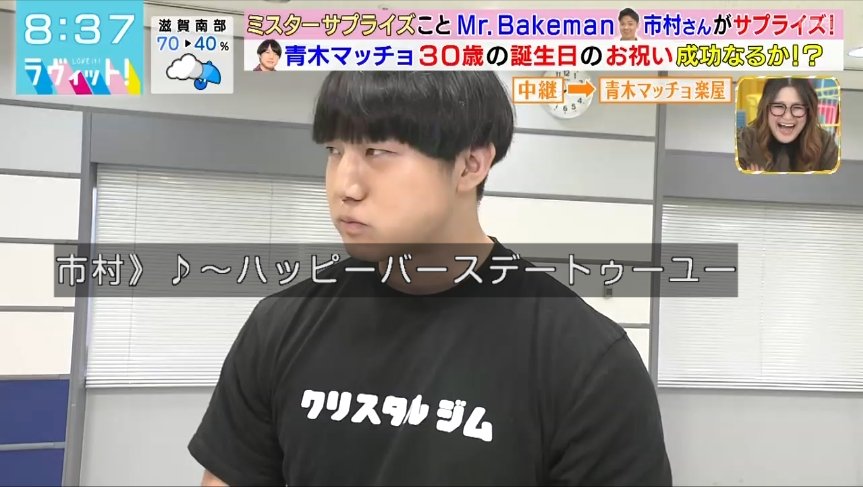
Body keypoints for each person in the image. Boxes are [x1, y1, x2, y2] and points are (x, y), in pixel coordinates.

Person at [188, 71, 673, 486]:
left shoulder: (585, 360)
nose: (345, 186)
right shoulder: (281, 323)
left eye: (377, 151)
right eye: (335, 150)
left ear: (470, 165)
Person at [737, 77, 840, 172]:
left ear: (808, 112)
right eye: (778, 106)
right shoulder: (745, 140)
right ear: (766, 108)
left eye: (797, 107)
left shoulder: (825, 144)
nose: (787, 117)